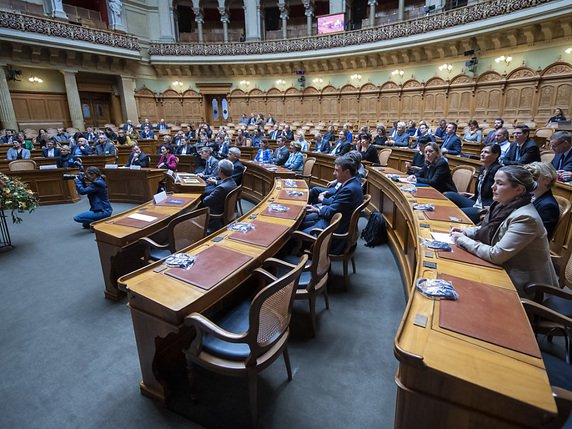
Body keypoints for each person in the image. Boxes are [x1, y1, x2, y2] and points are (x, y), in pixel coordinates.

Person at [450, 165, 558, 297]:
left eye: (499, 183)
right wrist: (466, 232)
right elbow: (490, 229)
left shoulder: (526, 218)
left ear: (519, 189)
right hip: (505, 270)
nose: (492, 187)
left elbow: (496, 255)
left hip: (526, 286)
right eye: (494, 182)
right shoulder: (505, 205)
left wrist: (463, 239)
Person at [301, 155, 364, 254]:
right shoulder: (352, 183)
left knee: (296, 231)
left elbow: (330, 212)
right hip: (334, 222)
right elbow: (334, 204)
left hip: (334, 233)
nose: (334, 174)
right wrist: (317, 208)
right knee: (301, 221)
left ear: (347, 172)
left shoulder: (349, 189)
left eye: (337, 170)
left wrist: (318, 209)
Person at [445, 144, 502, 223]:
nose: (482, 154)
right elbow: (481, 190)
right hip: (477, 202)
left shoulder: (497, 171)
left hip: (485, 207)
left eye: (486, 152)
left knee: (457, 212)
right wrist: (475, 195)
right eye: (482, 152)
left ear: (496, 155)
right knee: (449, 195)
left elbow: (494, 193)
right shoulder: (483, 168)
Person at [525, 162, 560, 240]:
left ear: (547, 180)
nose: (529, 182)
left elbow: (541, 237)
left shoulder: (548, 206)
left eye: (533, 178)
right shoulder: (530, 197)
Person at [200, 159, 237, 232]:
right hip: (226, 209)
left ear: (220, 171)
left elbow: (206, 201)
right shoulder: (233, 182)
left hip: (216, 212)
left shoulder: (221, 188)